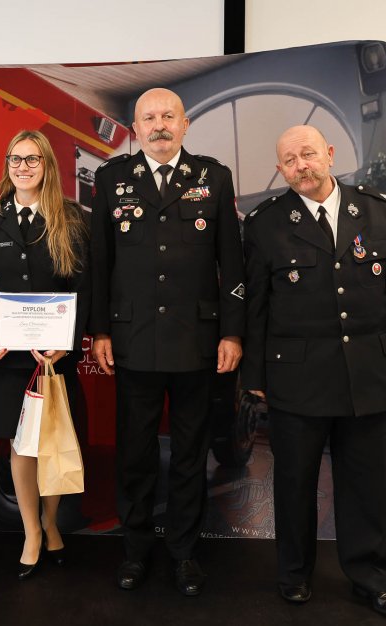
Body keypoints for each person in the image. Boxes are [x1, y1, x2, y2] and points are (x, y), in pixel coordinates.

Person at [241, 125, 386, 618]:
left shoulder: (378, 211)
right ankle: (294, 574)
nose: (300, 165)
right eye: (289, 160)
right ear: (280, 170)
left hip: (367, 372)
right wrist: (254, 375)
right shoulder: (265, 224)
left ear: (328, 153)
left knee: (365, 484)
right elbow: (255, 306)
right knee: (295, 482)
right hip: (296, 377)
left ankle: (372, 578)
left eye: (307, 154)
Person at [90, 88, 246, 596]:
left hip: (196, 340)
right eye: (149, 118)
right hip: (133, 338)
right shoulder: (112, 179)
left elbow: (232, 262)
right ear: (135, 128)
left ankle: (183, 552)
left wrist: (231, 331)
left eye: (168, 116)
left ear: (185, 124)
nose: (159, 125)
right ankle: (135, 550)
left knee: (188, 453)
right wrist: (100, 329)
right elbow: (100, 261)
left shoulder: (213, 177)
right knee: (135, 453)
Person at [0, 129, 90, 580]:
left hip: (53, 357)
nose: (23, 167)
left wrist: (67, 340)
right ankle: (31, 532)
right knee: (20, 446)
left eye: (32, 159)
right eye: (15, 159)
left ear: (47, 165)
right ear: (7, 165)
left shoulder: (70, 218)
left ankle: (51, 524)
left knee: (51, 444)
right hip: (9, 356)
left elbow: (83, 286)